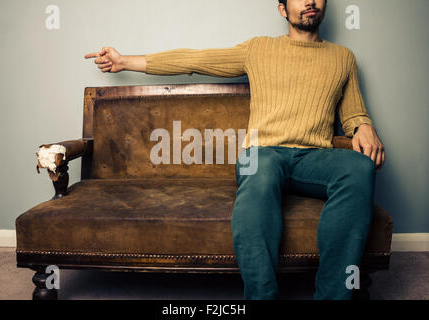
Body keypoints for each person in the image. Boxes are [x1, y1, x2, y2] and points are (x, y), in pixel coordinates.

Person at [84, 0, 385, 300]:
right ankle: (262, 296)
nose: (310, 1)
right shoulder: (258, 49)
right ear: (283, 9)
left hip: (313, 157)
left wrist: (363, 125)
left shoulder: (342, 57)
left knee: (359, 167)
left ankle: (332, 296)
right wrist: (125, 61)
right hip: (264, 152)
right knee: (261, 169)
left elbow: (354, 114)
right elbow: (194, 60)